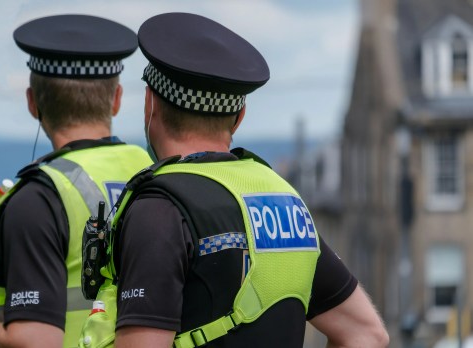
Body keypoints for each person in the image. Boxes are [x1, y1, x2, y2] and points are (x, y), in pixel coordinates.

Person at [83, 12, 390, 347]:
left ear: (149, 104)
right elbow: (367, 334)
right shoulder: (286, 201)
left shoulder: (158, 210)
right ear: (238, 117)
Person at [0, 14, 152, 348]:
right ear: (117, 98)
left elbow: (32, 344)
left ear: (32, 102)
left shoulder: (39, 200)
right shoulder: (150, 169)